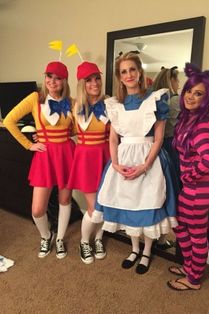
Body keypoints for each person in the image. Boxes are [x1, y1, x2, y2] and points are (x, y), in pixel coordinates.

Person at [92, 52, 177, 274]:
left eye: (132, 70)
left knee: (147, 204)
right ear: (119, 77)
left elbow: (158, 138)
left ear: (139, 72)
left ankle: (147, 251)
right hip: (123, 159)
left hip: (148, 159)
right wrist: (116, 164)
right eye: (123, 71)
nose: (128, 75)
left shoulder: (156, 99)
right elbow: (113, 138)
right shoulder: (113, 104)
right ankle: (134, 248)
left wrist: (145, 165)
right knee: (128, 204)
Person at [4, 61, 75, 259]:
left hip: (66, 154)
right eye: (49, 76)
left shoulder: (72, 101)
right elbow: (9, 120)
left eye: (57, 78)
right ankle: (46, 235)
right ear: (45, 78)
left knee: (65, 199)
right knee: (37, 210)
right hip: (44, 156)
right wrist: (29, 144)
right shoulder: (35, 98)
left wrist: (60, 134)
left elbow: (78, 129)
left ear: (64, 81)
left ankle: (60, 238)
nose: (52, 81)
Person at [167, 63, 209, 291]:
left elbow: (208, 159)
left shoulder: (202, 124)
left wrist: (189, 176)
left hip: (197, 190)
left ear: (207, 98)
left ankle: (193, 280)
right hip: (194, 189)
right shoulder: (189, 119)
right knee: (181, 228)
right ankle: (190, 267)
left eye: (198, 93)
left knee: (197, 235)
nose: (190, 96)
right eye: (189, 90)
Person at [67, 61, 110, 264]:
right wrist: (38, 138)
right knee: (95, 208)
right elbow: (60, 129)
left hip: (106, 157)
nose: (94, 83)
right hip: (85, 160)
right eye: (89, 80)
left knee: (106, 205)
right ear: (82, 84)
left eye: (97, 78)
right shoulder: (75, 106)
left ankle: (99, 238)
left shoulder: (110, 103)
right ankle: (85, 242)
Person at [152, 66, 181, 250]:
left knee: (160, 194)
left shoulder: (154, 100)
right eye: (177, 79)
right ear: (171, 81)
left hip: (157, 149)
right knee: (174, 194)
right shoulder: (177, 100)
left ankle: (159, 238)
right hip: (172, 148)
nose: (179, 83)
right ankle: (166, 239)